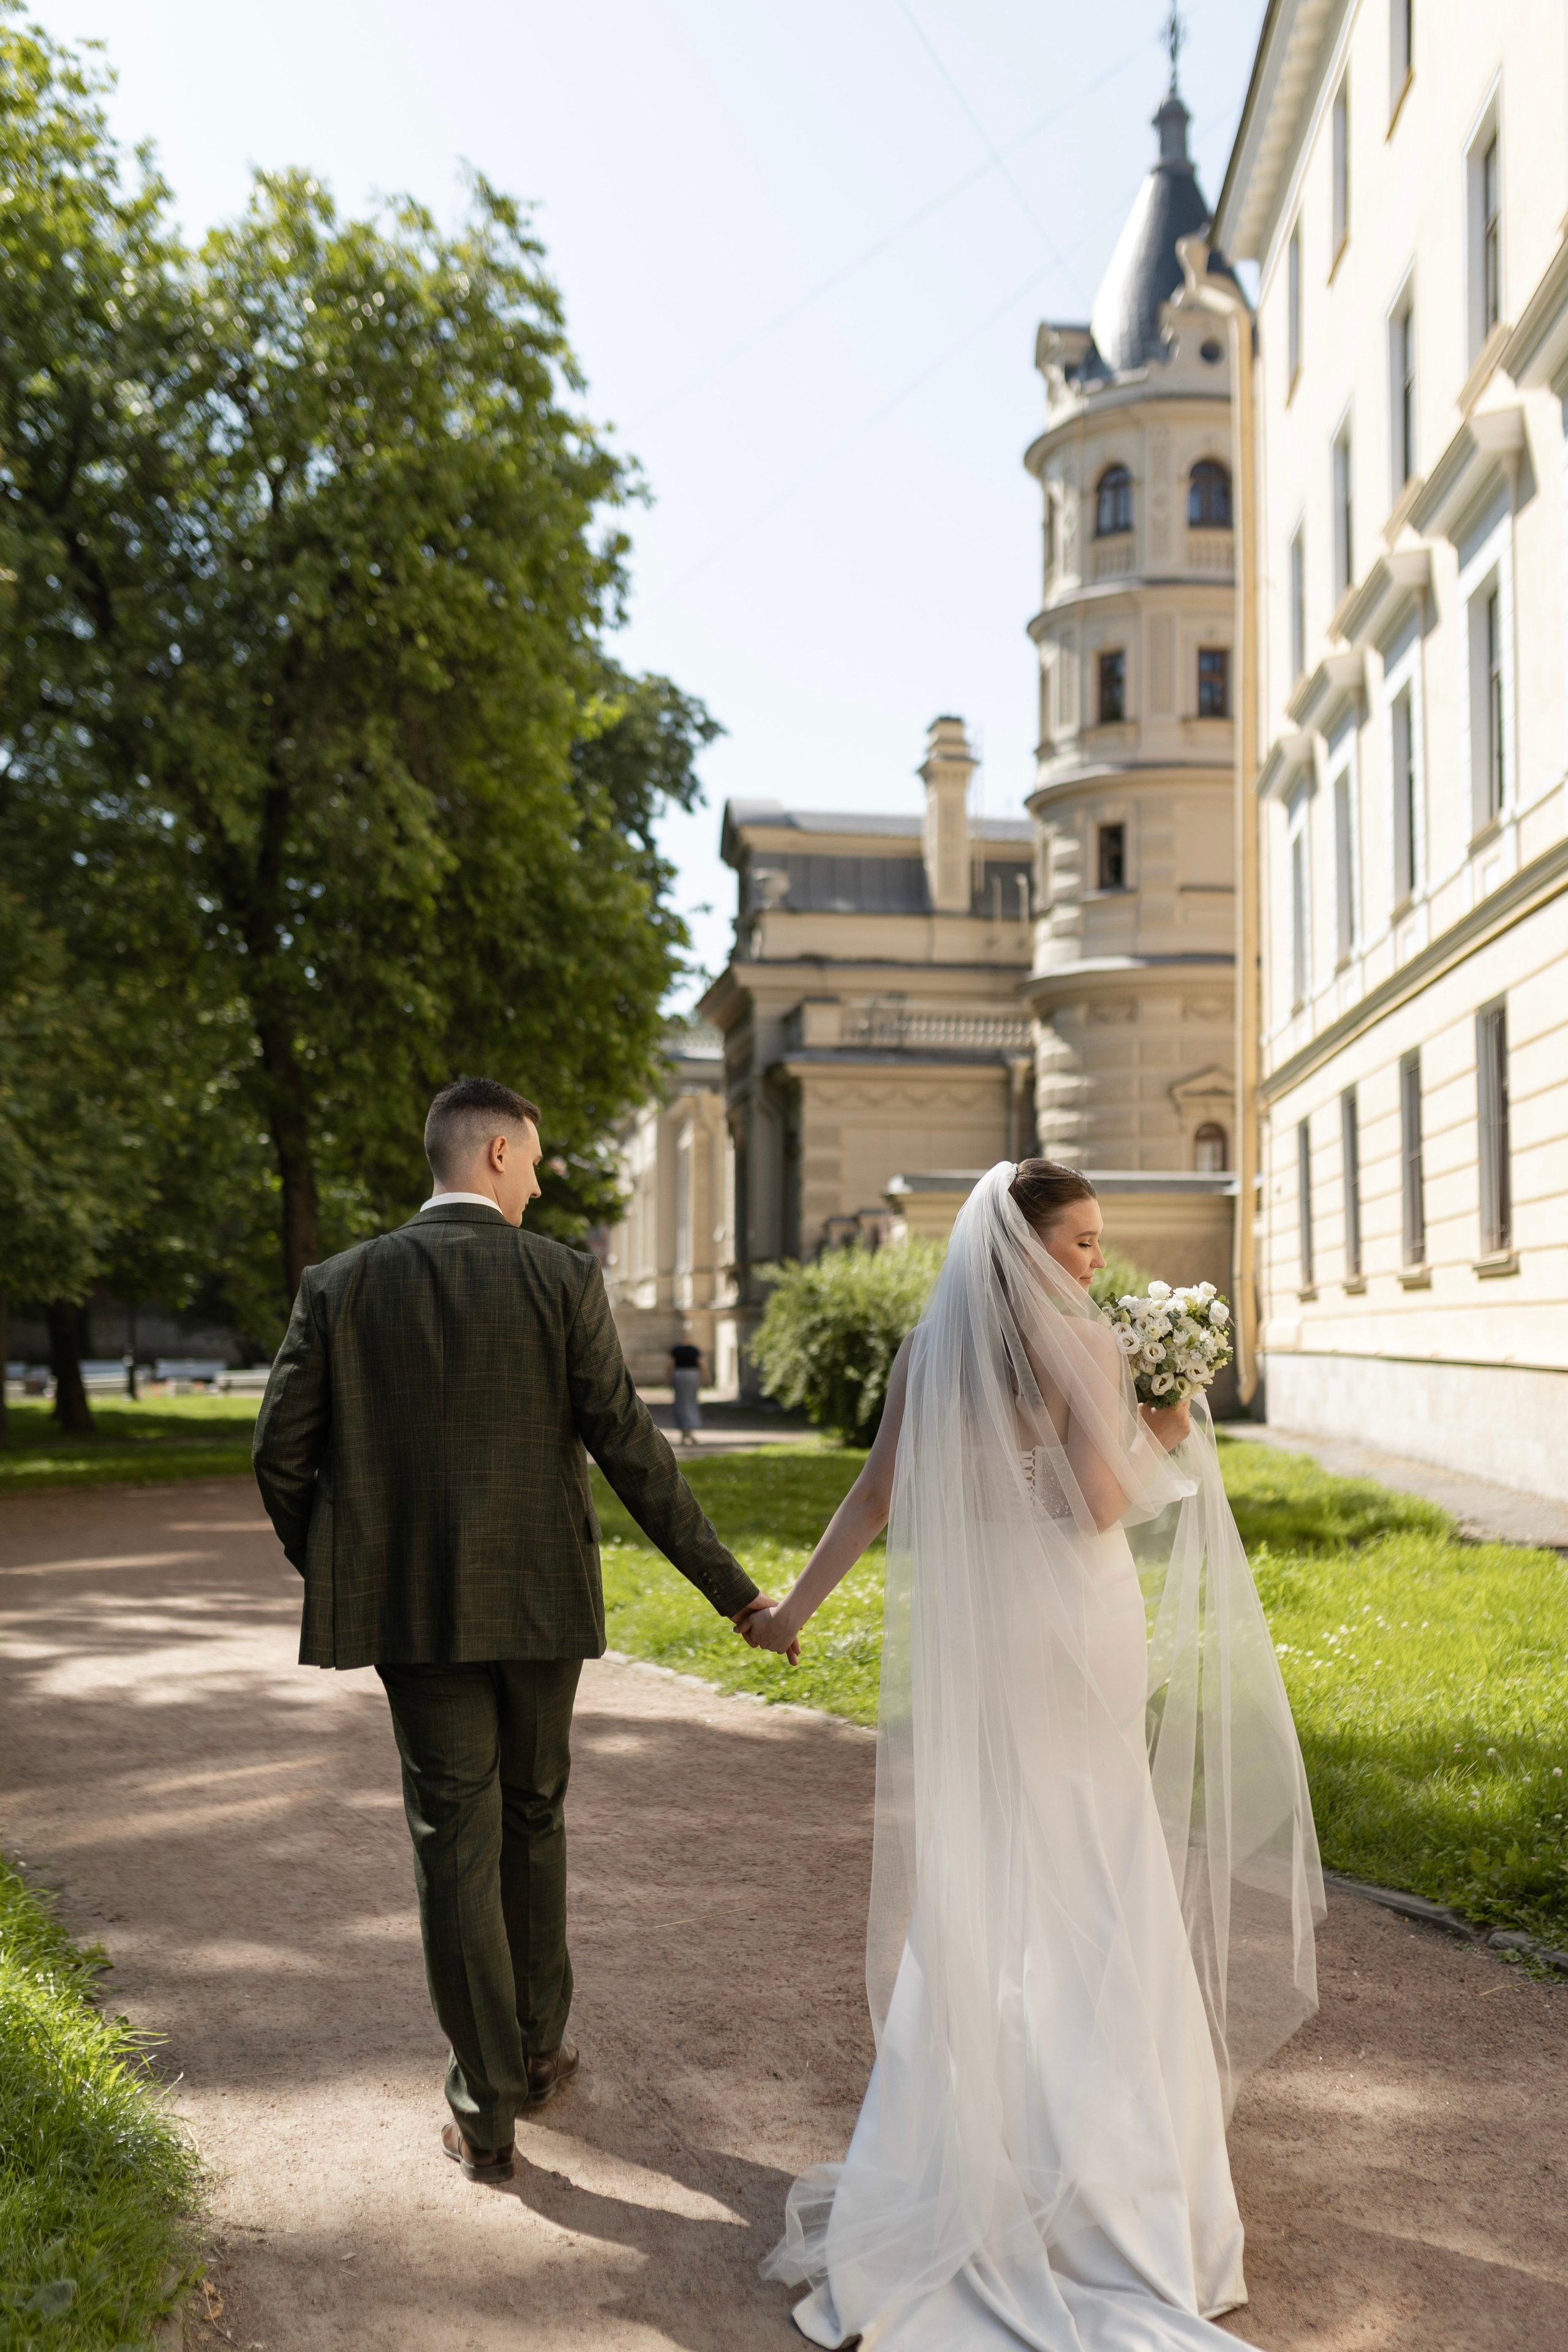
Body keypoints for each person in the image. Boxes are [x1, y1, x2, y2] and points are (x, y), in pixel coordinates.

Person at [748, 1160, 1324, 2350]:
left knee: (1004, 1869)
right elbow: (1093, 1507)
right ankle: (1109, 2186)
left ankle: (968, 2150)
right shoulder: (1092, 1351)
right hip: (1074, 1627)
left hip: (987, 1643)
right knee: (1098, 1862)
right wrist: (1170, 1418)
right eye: (1078, 1243)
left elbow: (872, 1496)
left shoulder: (925, 1352)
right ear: (1025, 1246)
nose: (1094, 1263)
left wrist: (791, 1611)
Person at [252, 1077, 787, 2184]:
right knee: (535, 1817)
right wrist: (734, 1593)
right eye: (535, 1160)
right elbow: (634, 1451)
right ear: (494, 1153)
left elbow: (279, 1454)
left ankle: (485, 2109)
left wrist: (351, 1566)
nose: (541, 1180)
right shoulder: (560, 1279)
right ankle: (538, 2056)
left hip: (415, 1616)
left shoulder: (340, 1286)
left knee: (456, 1840)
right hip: (542, 1606)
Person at [669, 1340, 704, 1446]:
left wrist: (669, 1379)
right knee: (690, 1402)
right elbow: (703, 1364)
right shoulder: (693, 1350)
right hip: (692, 1376)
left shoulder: (677, 1350)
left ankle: (686, 1431)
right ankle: (688, 1431)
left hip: (680, 1375)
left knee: (681, 1403)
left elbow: (671, 1365)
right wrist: (707, 1378)